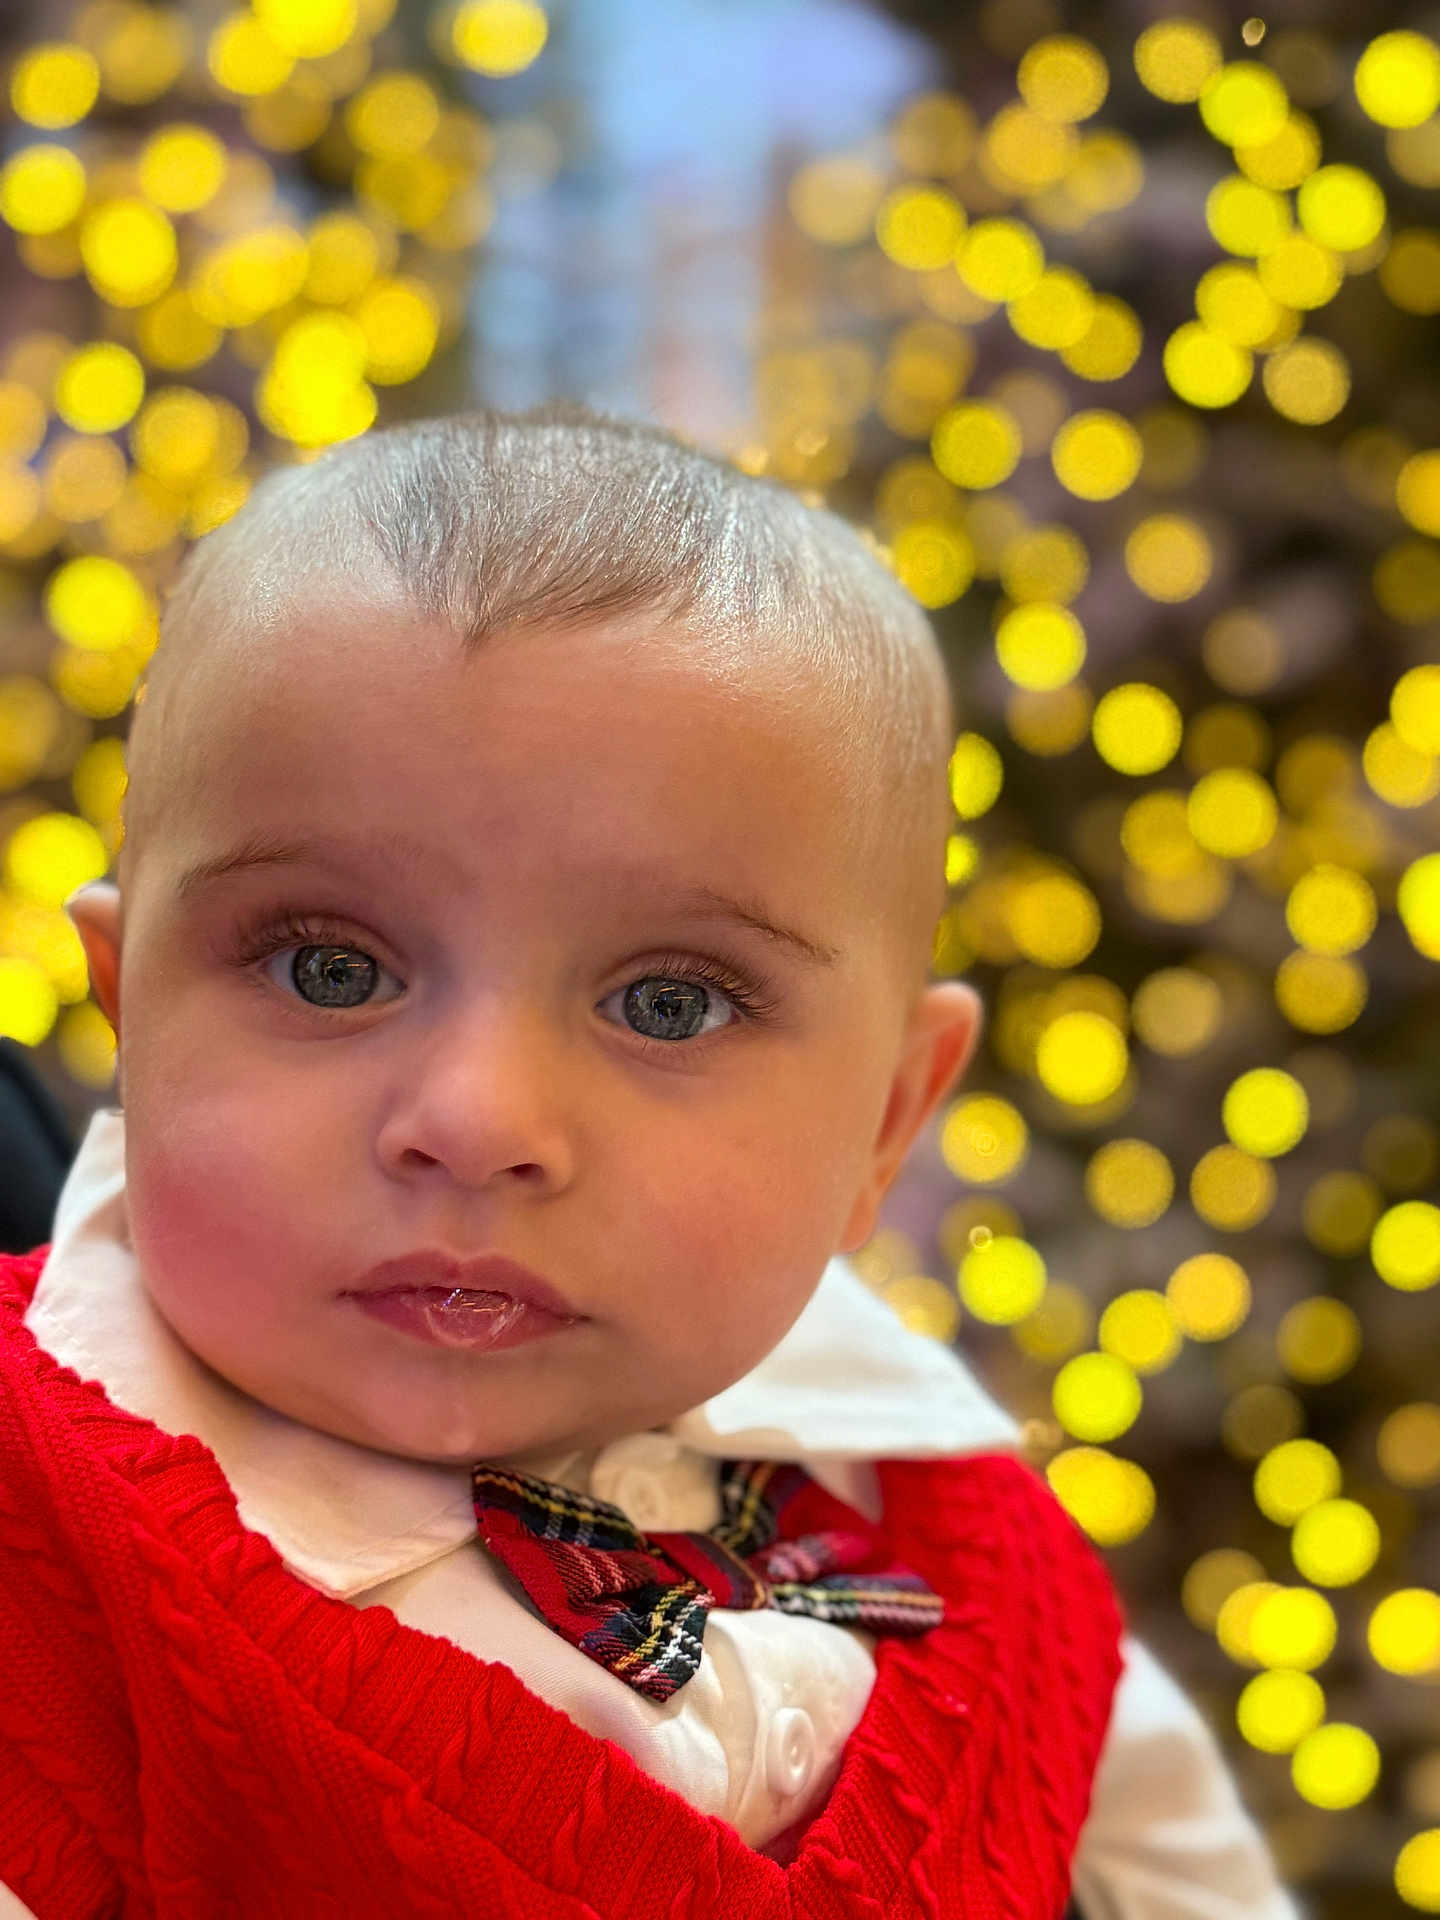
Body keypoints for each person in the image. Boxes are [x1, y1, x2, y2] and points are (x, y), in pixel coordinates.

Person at [0, 408, 1299, 1918]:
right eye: (329, 972)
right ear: (126, 1005)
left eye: (669, 1004)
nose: (479, 1120)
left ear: (887, 1119)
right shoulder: (40, 1573)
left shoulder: (989, 1566)